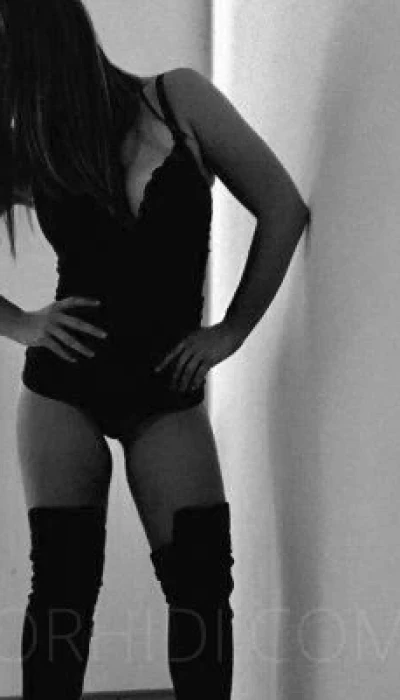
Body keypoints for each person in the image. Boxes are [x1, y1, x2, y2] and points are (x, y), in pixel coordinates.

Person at [0, 1, 311, 698]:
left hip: (165, 389)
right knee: (62, 592)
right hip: (63, 390)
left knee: (201, 588)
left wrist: (231, 330)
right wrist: (21, 324)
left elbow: (282, 208)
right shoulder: (31, 143)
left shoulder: (177, 99)